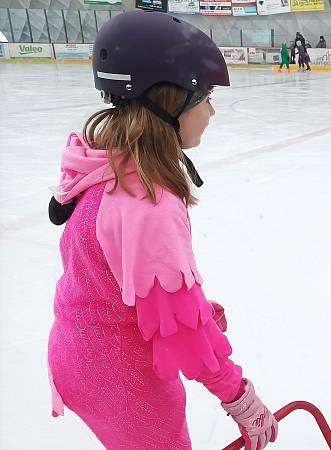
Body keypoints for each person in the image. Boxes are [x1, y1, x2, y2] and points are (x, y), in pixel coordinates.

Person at [46, 10, 278, 450]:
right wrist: (241, 400)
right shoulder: (149, 202)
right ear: (170, 100)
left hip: (76, 356)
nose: (211, 111)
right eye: (204, 96)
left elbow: (110, 275)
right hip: (123, 384)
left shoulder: (105, 163)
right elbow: (184, 335)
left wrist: (191, 307)